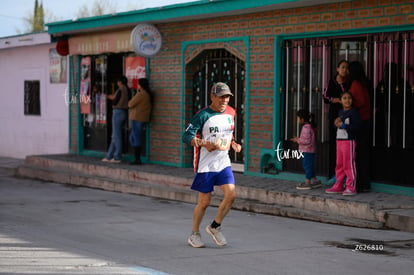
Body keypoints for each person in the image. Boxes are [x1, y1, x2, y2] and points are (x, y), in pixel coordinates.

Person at [182, 82, 242, 248]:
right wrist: (202, 143)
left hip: (223, 162)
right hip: (206, 165)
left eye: (227, 96)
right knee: (204, 202)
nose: (225, 99)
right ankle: (194, 234)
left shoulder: (231, 112)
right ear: (212, 97)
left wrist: (233, 143)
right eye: (221, 96)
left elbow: (228, 133)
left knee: (231, 194)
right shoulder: (202, 115)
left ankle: (215, 226)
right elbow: (186, 136)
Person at [326, 91, 361, 196]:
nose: (347, 100)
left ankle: (351, 187)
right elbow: (337, 126)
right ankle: (339, 185)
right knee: (339, 165)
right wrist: (336, 124)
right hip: (339, 141)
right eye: (344, 98)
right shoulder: (340, 112)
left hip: (348, 142)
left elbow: (357, 127)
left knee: (348, 164)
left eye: (349, 98)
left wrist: (344, 126)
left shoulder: (354, 112)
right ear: (340, 101)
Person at [346, 61, 372, 192]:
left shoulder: (356, 83)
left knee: (358, 153)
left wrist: (348, 103)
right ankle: (364, 183)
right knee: (363, 153)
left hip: (360, 120)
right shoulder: (363, 82)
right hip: (366, 120)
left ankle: (360, 183)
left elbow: (360, 102)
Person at [323, 60, 349, 184]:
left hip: (346, 117)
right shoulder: (332, 82)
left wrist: (342, 86)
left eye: (346, 68)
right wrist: (335, 100)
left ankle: (345, 174)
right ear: (337, 69)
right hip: (334, 117)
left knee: (345, 146)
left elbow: (349, 96)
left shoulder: (348, 82)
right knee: (335, 146)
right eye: (342, 67)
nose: (344, 70)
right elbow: (325, 97)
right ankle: (334, 174)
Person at [102, 76, 131, 163]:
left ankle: (117, 156)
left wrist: (108, 97)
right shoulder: (128, 90)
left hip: (117, 112)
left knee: (116, 135)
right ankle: (109, 155)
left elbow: (115, 100)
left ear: (120, 82)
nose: (117, 83)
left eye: (118, 81)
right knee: (115, 135)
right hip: (124, 112)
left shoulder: (120, 90)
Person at [290, 109, 321, 190]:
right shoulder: (308, 127)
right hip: (309, 150)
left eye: (298, 118)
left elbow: (307, 141)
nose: (297, 120)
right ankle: (315, 180)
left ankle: (308, 182)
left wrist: (298, 140)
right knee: (309, 166)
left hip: (308, 151)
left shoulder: (306, 128)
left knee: (307, 166)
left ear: (302, 119)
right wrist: (299, 139)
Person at [128, 78, 153, 165]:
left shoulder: (141, 94)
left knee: (136, 137)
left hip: (137, 118)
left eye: (138, 84)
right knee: (134, 137)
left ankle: (137, 158)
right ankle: (137, 157)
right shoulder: (146, 94)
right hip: (140, 118)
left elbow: (130, 104)